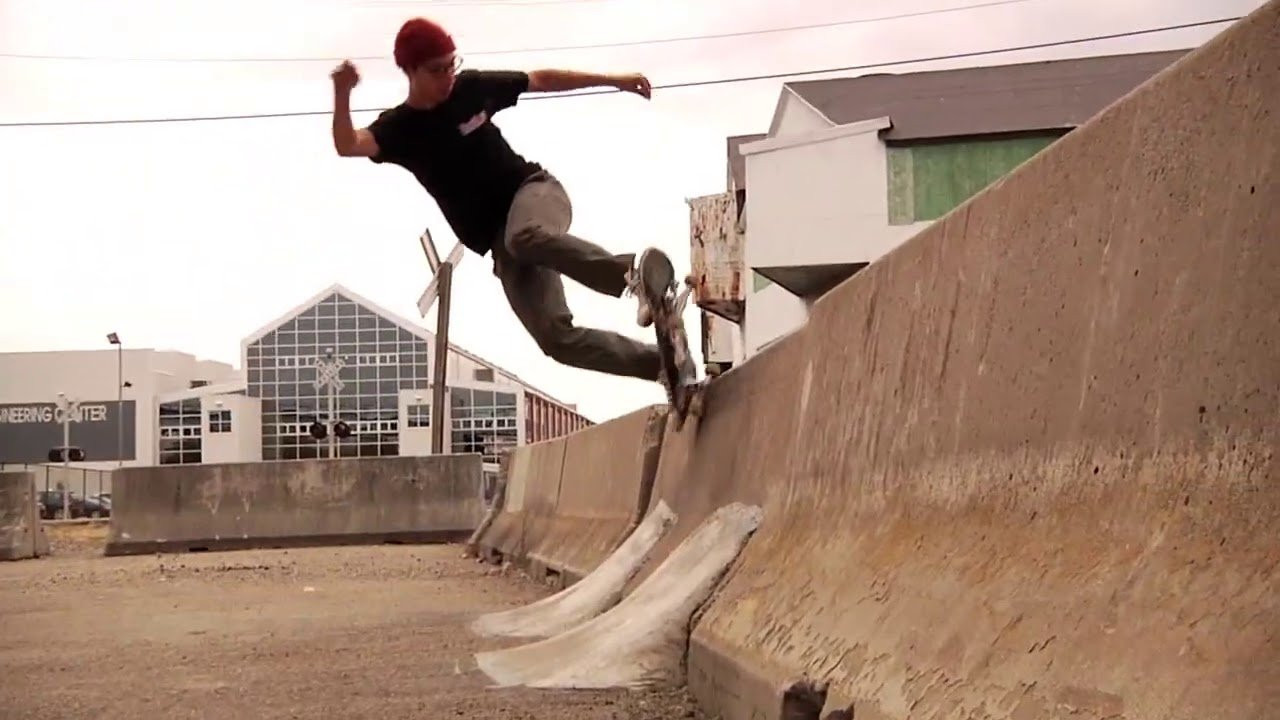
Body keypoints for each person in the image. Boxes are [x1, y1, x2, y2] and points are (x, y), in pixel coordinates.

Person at [329, 17, 692, 388]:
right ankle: (668, 365)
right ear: (410, 70)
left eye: (452, 64)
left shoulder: (470, 88)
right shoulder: (399, 129)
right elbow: (348, 145)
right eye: (438, 70)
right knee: (556, 341)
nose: (448, 77)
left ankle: (633, 275)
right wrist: (342, 93)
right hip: (500, 241)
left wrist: (613, 80)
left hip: (536, 192)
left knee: (523, 235)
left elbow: (541, 79)